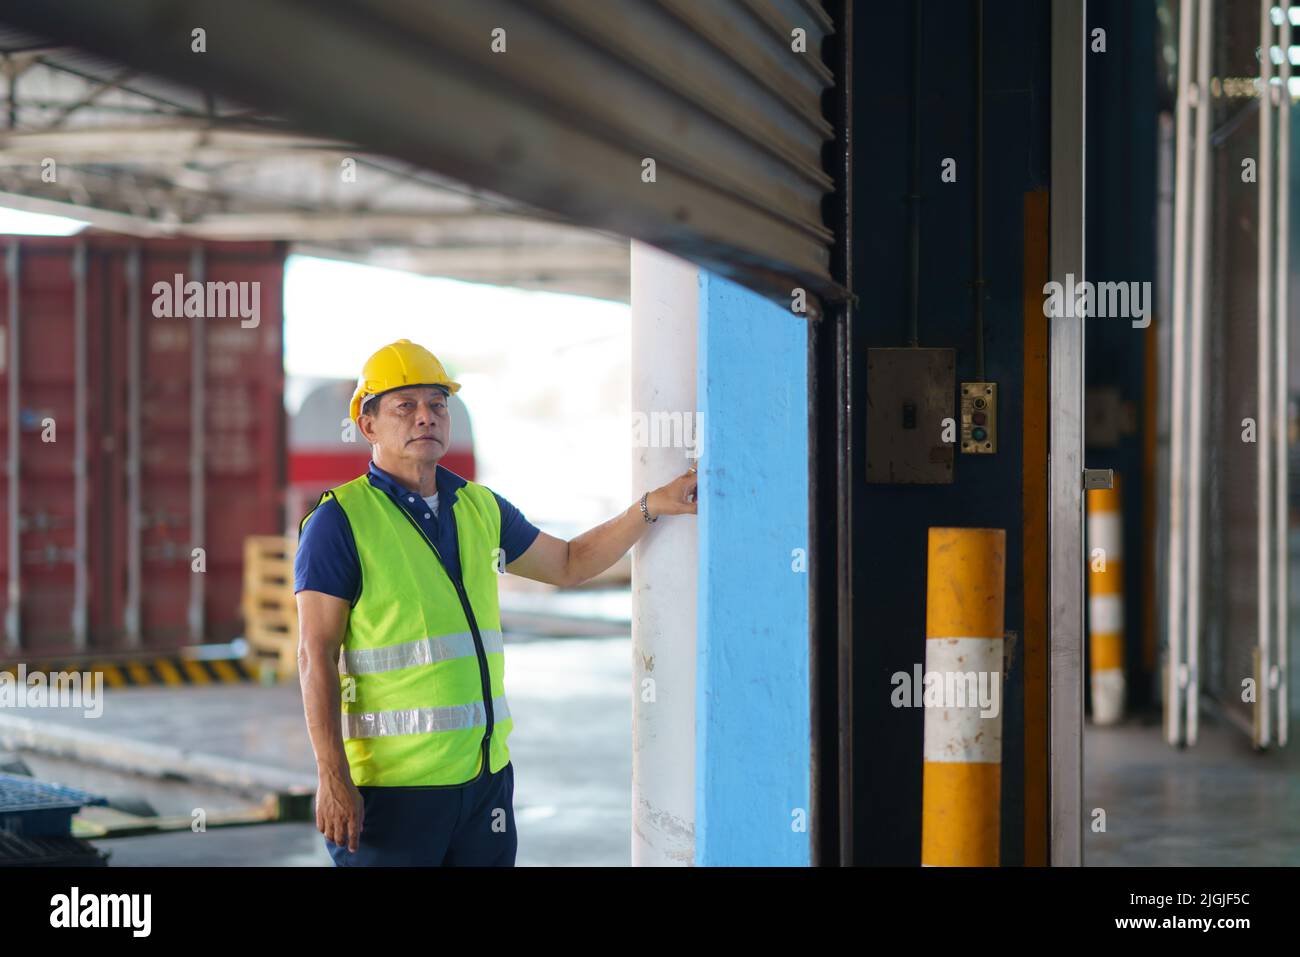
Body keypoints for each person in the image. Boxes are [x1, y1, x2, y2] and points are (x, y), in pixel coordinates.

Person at [294, 338, 697, 866]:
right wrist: (332, 777)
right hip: (394, 794)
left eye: (437, 405)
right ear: (368, 426)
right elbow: (313, 655)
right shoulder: (339, 522)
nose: (425, 418)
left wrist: (650, 507)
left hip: (484, 785)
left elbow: (570, 562)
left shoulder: (480, 507)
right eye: (405, 406)